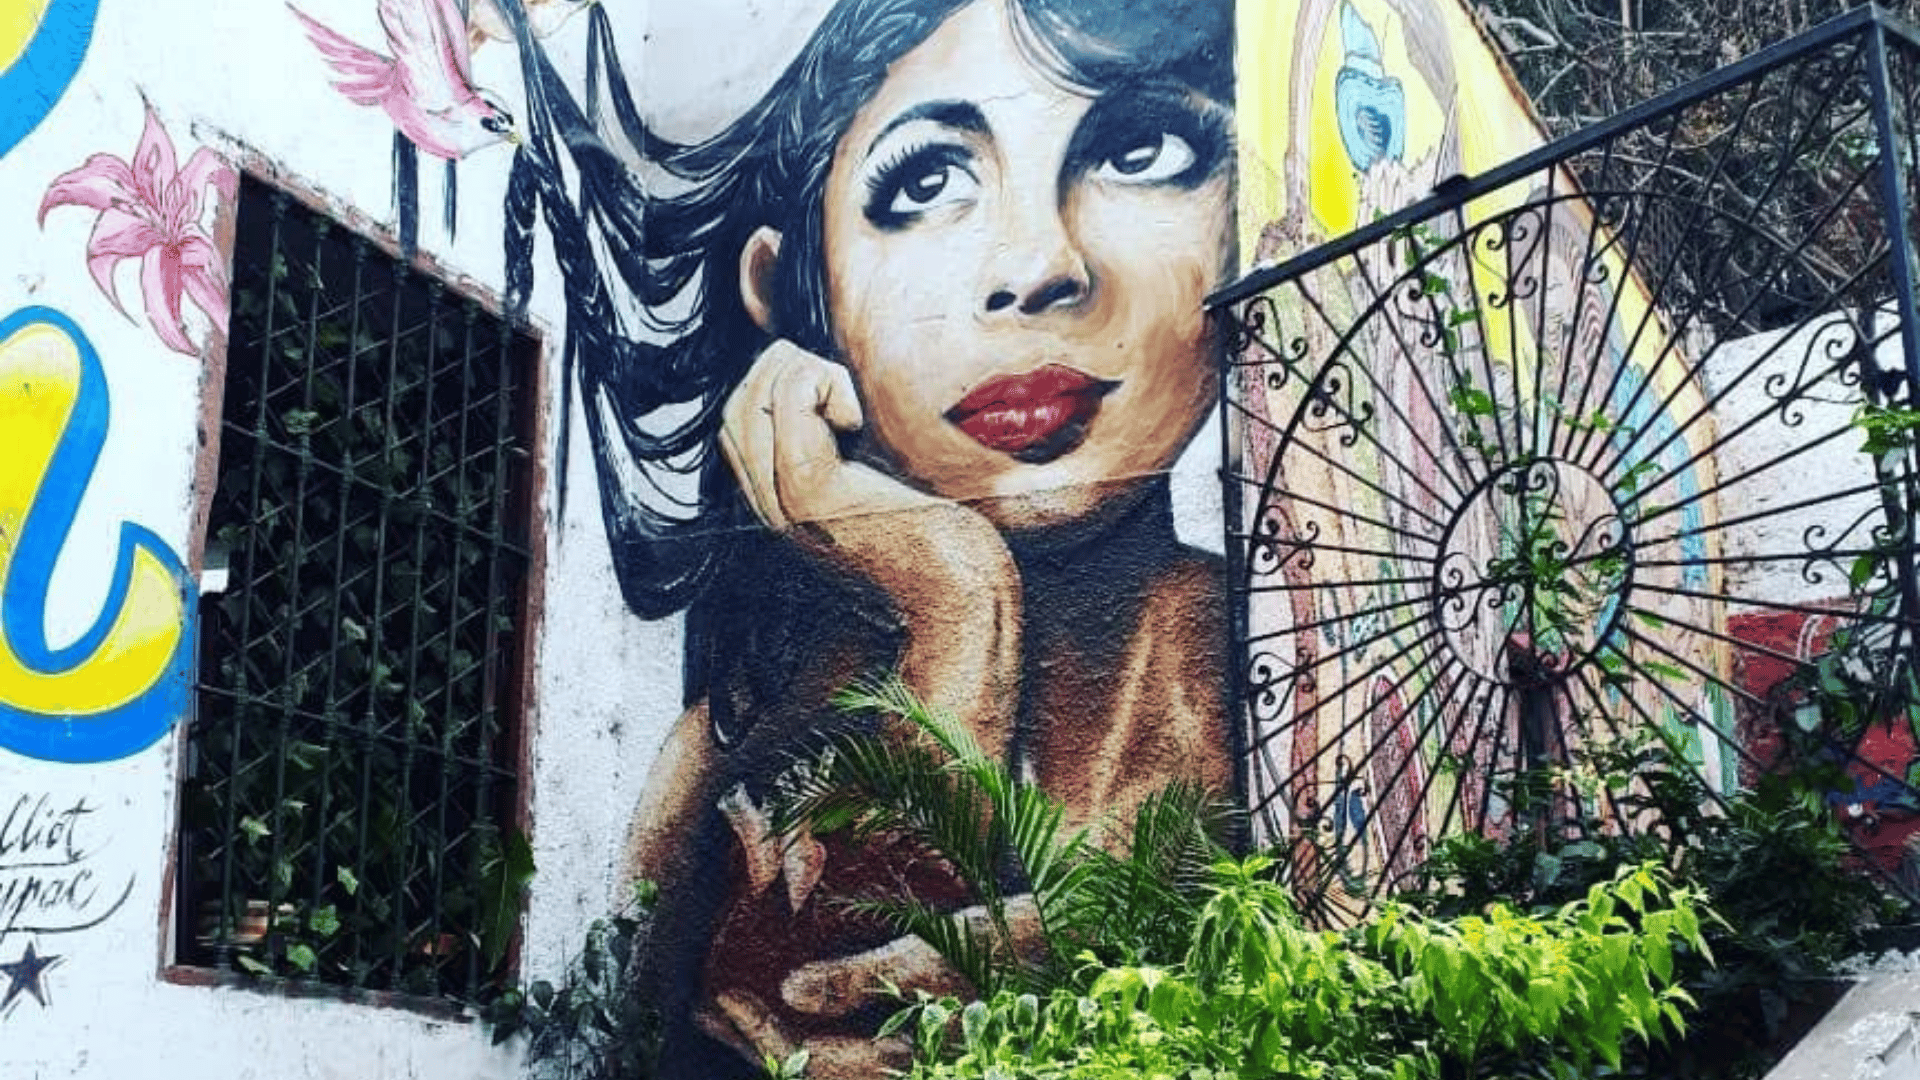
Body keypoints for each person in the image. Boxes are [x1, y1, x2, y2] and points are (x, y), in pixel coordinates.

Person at [503, 0, 1237, 1073]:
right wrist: (954, 592)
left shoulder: (1287, 676)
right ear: (791, 288)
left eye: (1141, 149)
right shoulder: (728, 738)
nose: (1038, 265)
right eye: (927, 182)